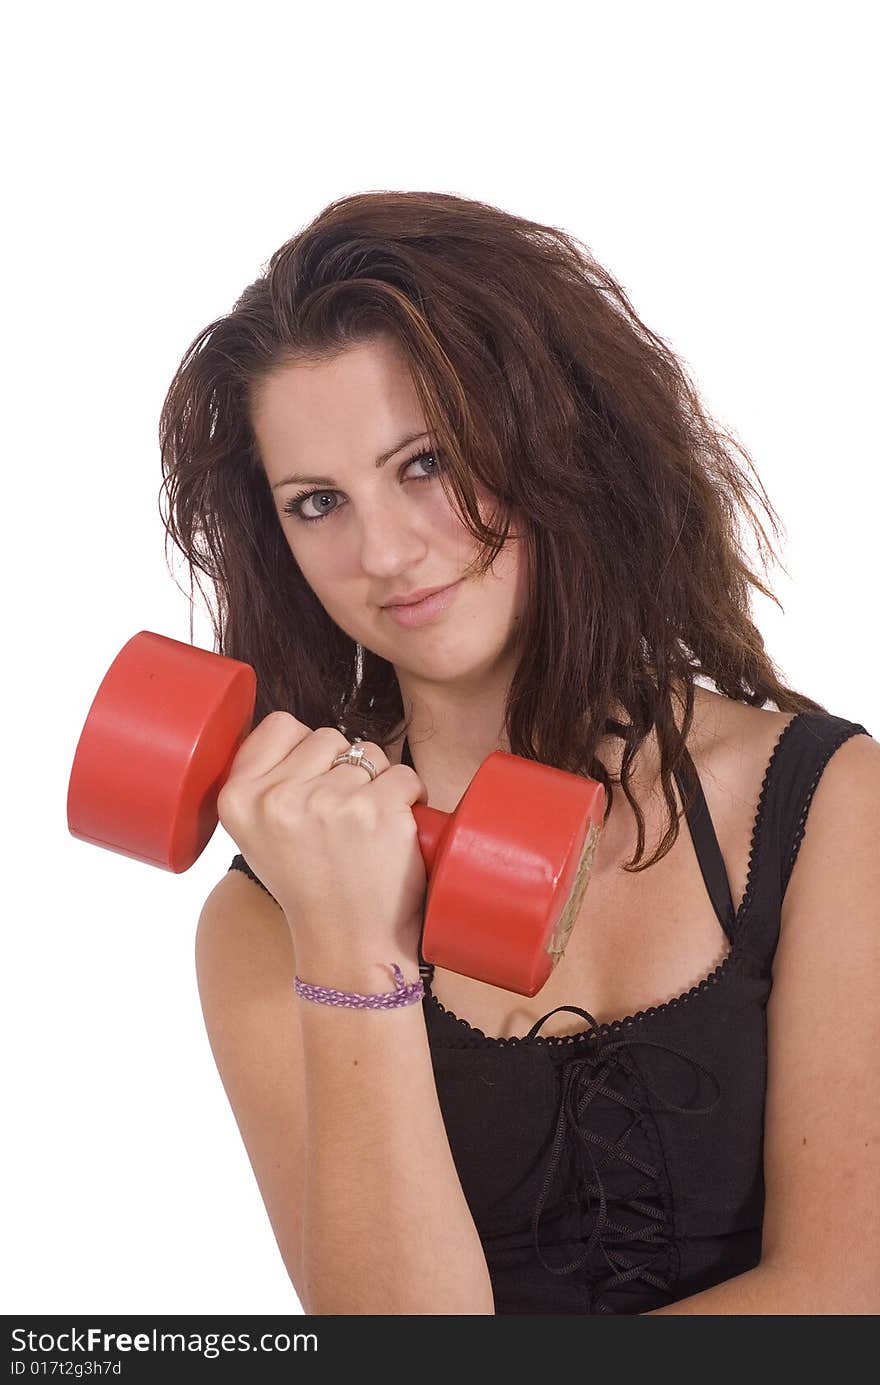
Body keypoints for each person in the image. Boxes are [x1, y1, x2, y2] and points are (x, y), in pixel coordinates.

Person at [158, 190, 878, 1315]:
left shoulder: (828, 804)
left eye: (427, 462)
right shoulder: (264, 920)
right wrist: (352, 949)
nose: (385, 551)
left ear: (555, 436)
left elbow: (849, 1294)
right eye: (315, 501)